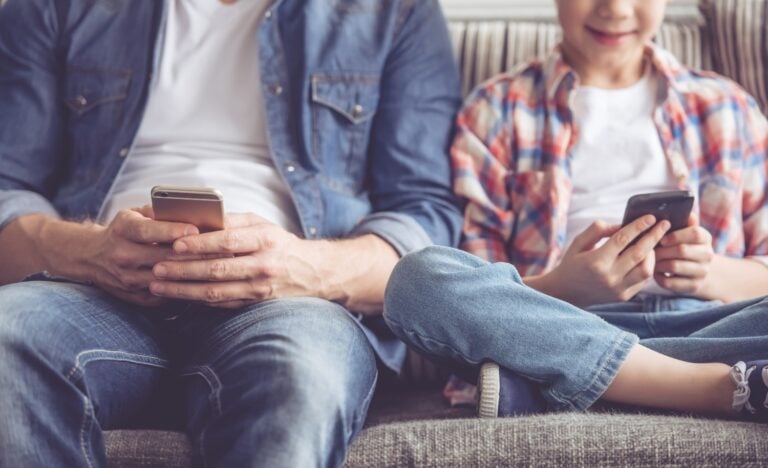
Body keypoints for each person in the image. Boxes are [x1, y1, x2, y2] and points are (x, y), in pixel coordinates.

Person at [0, 0, 462, 466]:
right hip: (93, 295)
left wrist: (305, 267)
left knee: (298, 378)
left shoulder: (394, 10)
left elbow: (425, 218)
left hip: (290, 304)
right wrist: (92, 251)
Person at [383, 0, 768, 422]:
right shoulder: (497, 109)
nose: (616, 9)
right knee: (416, 282)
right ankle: (716, 387)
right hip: (561, 324)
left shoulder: (729, 108)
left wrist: (710, 271)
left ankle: (562, 386)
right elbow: (481, 284)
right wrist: (567, 287)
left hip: (707, 325)